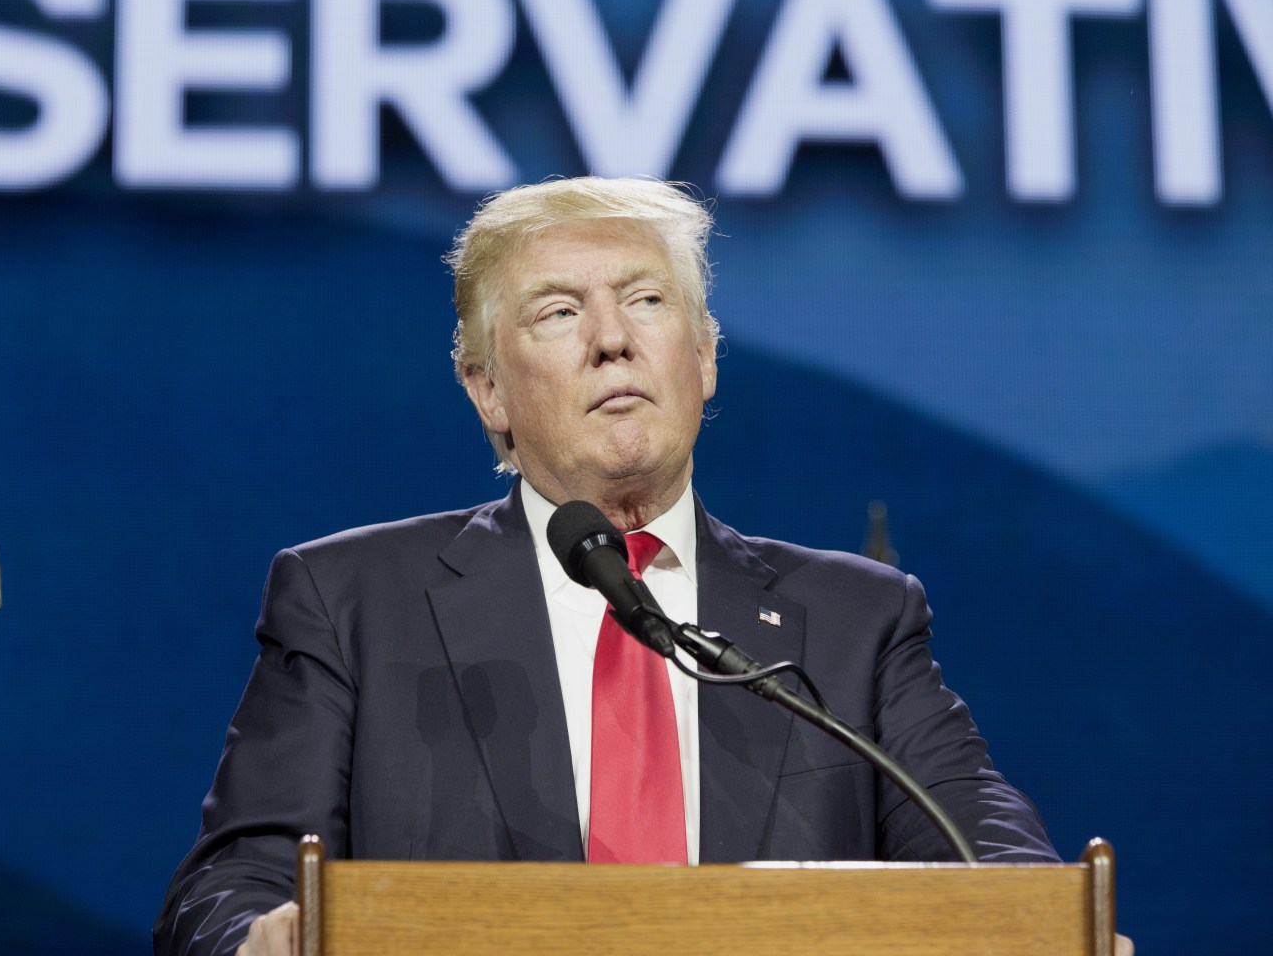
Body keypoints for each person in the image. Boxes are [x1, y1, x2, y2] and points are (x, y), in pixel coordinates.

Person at [153, 177, 1065, 956]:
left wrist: (1045, 921)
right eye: (558, 312)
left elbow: (971, 828)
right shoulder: (351, 603)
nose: (612, 338)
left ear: (704, 357)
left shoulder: (855, 618)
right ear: (488, 390)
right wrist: (256, 941)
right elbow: (230, 884)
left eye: (647, 300)